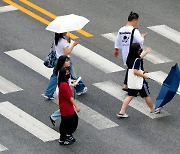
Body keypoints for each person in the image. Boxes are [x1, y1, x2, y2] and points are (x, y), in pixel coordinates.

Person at [117, 43, 160, 118]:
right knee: (146, 95)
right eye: (139, 49)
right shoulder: (137, 60)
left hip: (132, 80)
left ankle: (122, 111)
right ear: (137, 50)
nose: (141, 49)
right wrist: (144, 75)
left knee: (130, 96)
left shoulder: (129, 57)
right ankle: (153, 110)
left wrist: (146, 52)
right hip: (139, 81)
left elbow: (137, 60)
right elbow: (136, 71)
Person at [42, 32, 87, 100]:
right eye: (65, 31)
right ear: (61, 33)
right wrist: (73, 45)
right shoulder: (63, 42)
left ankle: (48, 93)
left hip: (58, 60)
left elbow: (61, 48)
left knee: (54, 76)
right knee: (72, 75)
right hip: (65, 61)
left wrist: (67, 43)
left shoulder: (56, 38)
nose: (66, 32)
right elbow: (67, 52)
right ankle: (80, 88)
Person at [114, 11, 147, 91]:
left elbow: (117, 40)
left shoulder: (121, 29)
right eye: (137, 21)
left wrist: (116, 49)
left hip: (125, 53)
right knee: (136, 68)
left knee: (130, 67)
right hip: (133, 52)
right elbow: (140, 41)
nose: (137, 23)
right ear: (134, 20)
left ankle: (126, 84)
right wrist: (142, 36)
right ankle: (136, 86)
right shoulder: (134, 30)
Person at [58, 67, 80, 145]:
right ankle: (63, 138)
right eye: (66, 73)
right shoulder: (64, 85)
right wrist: (76, 106)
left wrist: (72, 83)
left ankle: (67, 135)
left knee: (68, 121)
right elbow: (70, 97)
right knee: (69, 122)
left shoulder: (63, 83)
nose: (68, 74)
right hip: (66, 108)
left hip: (65, 107)